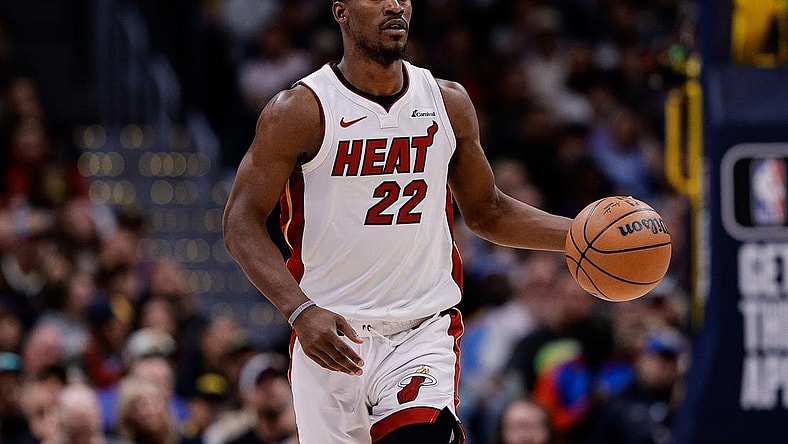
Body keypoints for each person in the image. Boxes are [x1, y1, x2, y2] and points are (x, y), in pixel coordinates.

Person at [222, 1, 573, 443]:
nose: (394, 5)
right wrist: (300, 311)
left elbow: (489, 211)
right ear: (341, 12)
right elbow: (241, 221)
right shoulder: (300, 110)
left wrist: (576, 236)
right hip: (331, 334)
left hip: (421, 330)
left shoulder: (447, 102)